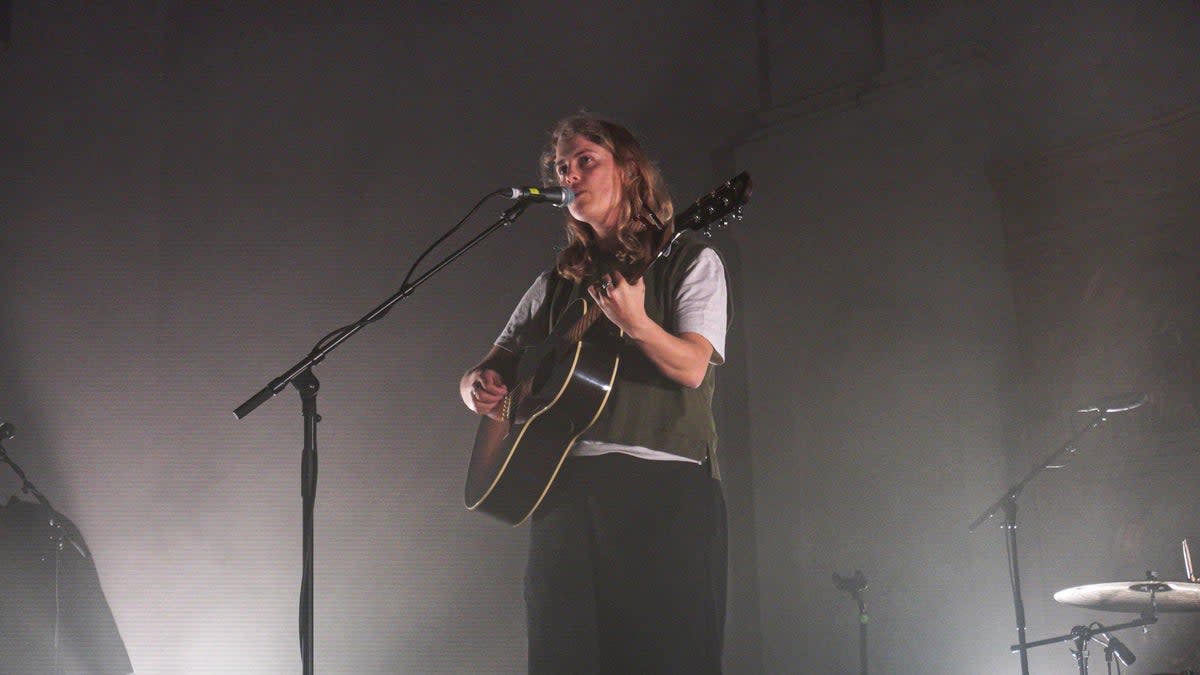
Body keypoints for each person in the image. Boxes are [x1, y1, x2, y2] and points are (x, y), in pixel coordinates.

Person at [460, 113, 729, 674]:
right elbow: (495, 363)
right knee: (563, 656)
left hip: (664, 489)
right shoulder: (554, 283)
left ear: (629, 171)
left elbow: (692, 369)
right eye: (562, 167)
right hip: (564, 492)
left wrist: (639, 325)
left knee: (665, 655)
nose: (570, 175)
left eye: (586, 160)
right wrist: (476, 388)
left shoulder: (689, 259)